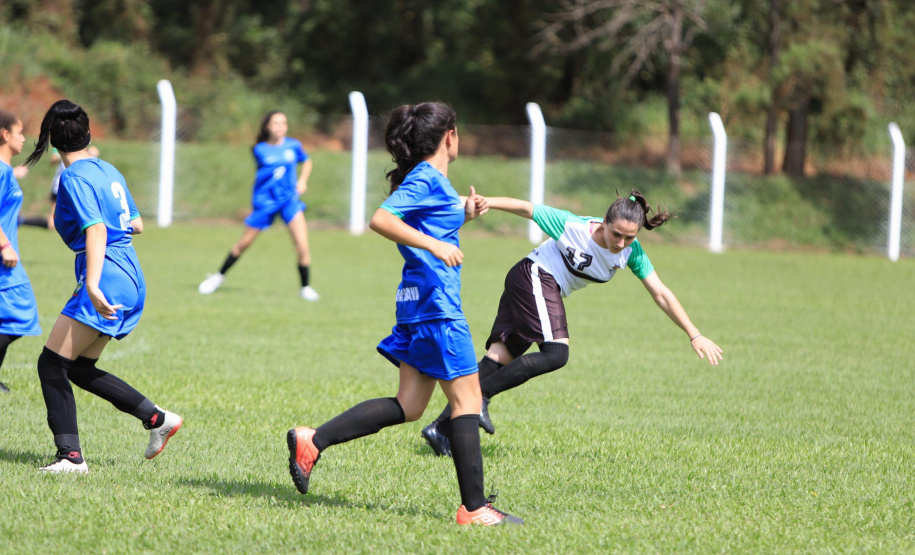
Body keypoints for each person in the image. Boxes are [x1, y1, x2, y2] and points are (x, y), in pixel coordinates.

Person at [286, 102, 522, 526]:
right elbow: (382, 219)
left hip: (416, 303)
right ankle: (475, 509)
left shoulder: (433, 183)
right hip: (436, 307)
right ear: (448, 136)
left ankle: (312, 440)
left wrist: (462, 214)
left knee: (410, 404)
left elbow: (427, 224)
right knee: (468, 401)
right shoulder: (427, 178)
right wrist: (435, 246)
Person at [420, 191, 724, 457]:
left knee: (499, 359)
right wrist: (484, 202)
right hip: (535, 275)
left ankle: (441, 429)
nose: (620, 243)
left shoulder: (632, 252)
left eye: (629, 237)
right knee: (556, 354)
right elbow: (527, 208)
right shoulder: (571, 225)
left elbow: (661, 293)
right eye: (616, 234)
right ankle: (480, 397)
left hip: (533, 283)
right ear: (604, 221)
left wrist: (693, 334)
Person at [23, 100, 182, 474]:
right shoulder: (107, 168)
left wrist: (92, 284)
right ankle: (157, 419)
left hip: (106, 274)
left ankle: (70, 457)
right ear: (88, 133)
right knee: (76, 367)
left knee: (50, 364)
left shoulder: (74, 177)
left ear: (51, 140)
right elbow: (137, 224)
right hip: (130, 273)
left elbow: (96, 229)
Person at [198, 111, 319, 300]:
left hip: (289, 201)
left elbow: (307, 161)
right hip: (265, 203)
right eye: (276, 123)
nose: (280, 126)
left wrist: (303, 181)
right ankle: (218, 277)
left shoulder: (294, 146)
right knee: (244, 243)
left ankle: (305, 288)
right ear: (267, 127)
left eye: (283, 123)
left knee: (302, 245)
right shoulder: (259, 149)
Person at [0, 109, 42, 393]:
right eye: (20, 132)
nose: (24, 138)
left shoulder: (5, 170)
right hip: (4, 257)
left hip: (6, 256)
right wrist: (4, 245)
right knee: (19, 316)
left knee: (12, 318)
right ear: (5, 135)